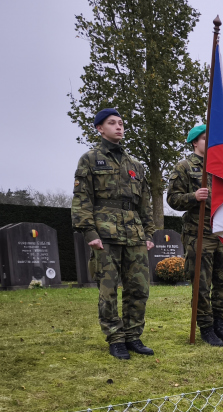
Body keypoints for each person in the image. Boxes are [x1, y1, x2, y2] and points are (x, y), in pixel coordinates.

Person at [71, 108, 155, 360]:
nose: (119, 127)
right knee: (108, 290)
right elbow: (82, 198)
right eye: (112, 123)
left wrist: (149, 234)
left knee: (139, 288)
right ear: (100, 128)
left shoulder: (135, 165)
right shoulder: (90, 159)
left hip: (134, 234)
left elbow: (144, 204)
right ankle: (115, 338)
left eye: (121, 123)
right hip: (104, 233)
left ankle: (133, 336)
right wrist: (89, 232)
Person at [166, 124, 223, 347]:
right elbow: (172, 199)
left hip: (222, 231)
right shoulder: (185, 167)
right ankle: (206, 328)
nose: (210, 142)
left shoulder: (221, 167)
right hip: (199, 232)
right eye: (206, 138)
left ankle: (220, 325)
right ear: (195, 142)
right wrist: (193, 196)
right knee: (202, 283)